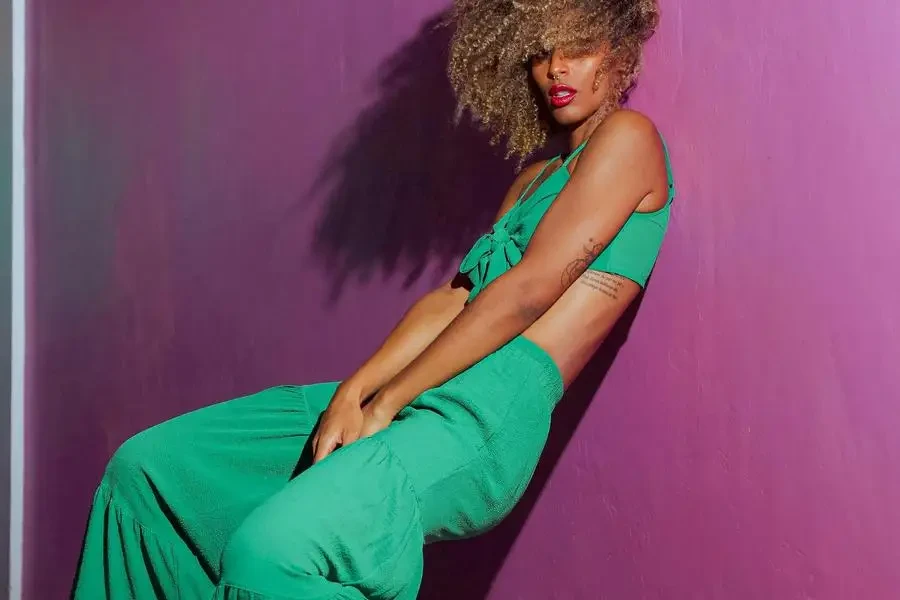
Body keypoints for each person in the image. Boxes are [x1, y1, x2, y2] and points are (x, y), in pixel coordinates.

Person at [72, 0, 673, 598]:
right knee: (147, 473)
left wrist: (388, 402)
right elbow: (454, 300)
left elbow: (526, 292)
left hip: (483, 415)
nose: (556, 69)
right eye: (540, 51)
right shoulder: (532, 180)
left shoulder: (629, 138)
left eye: (578, 47)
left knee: (267, 555)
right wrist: (355, 392)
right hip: (426, 387)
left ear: (616, 50)